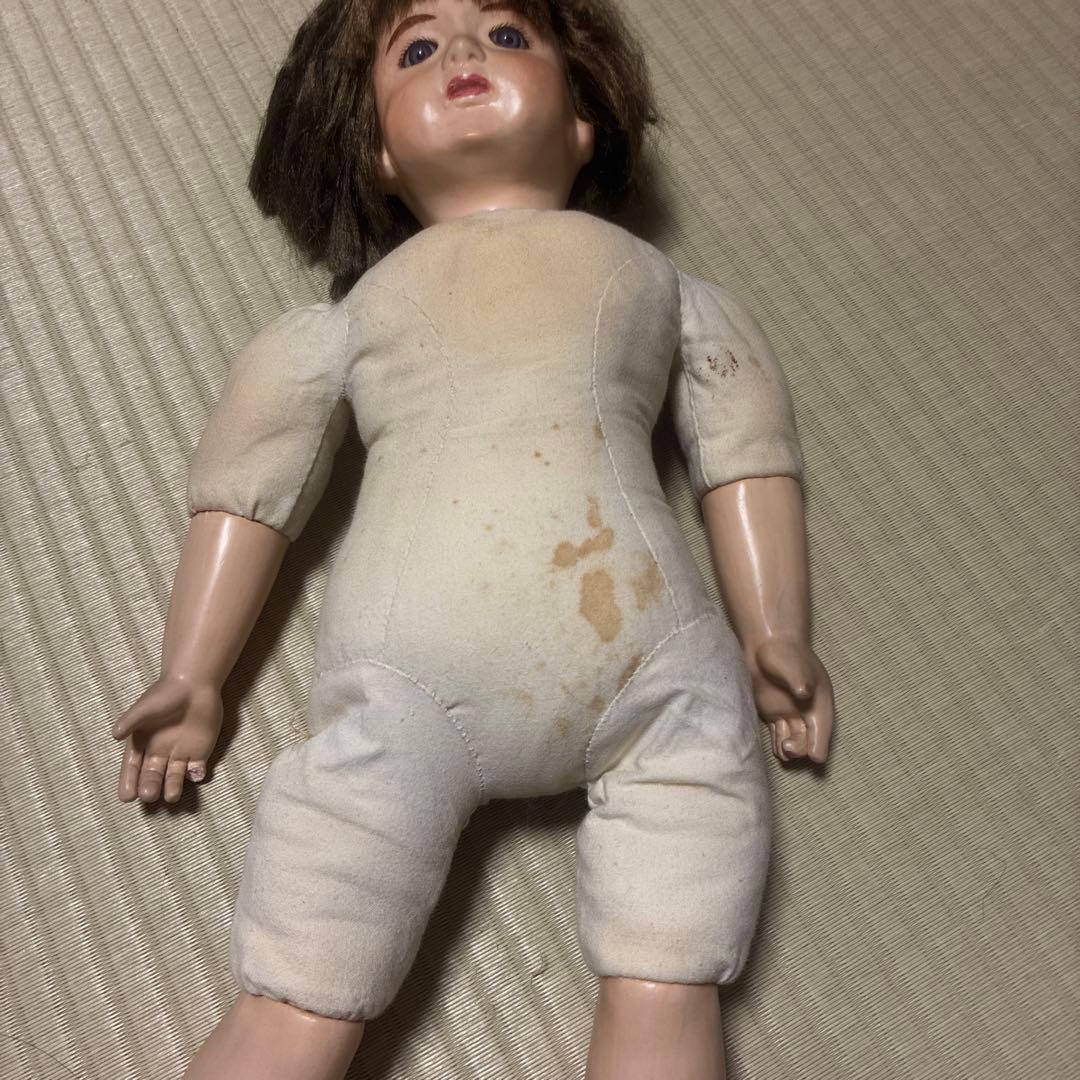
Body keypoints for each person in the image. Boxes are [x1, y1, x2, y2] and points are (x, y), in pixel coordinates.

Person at [111, 1, 835, 1077]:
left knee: (672, 966)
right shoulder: (356, 315)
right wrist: (193, 672)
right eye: (416, 49)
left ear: (584, 121)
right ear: (377, 153)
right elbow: (250, 486)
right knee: (301, 986)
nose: (461, 52)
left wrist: (775, 633)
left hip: (651, 661)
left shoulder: (664, 289)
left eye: (506, 36)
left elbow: (745, 454)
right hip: (411, 674)